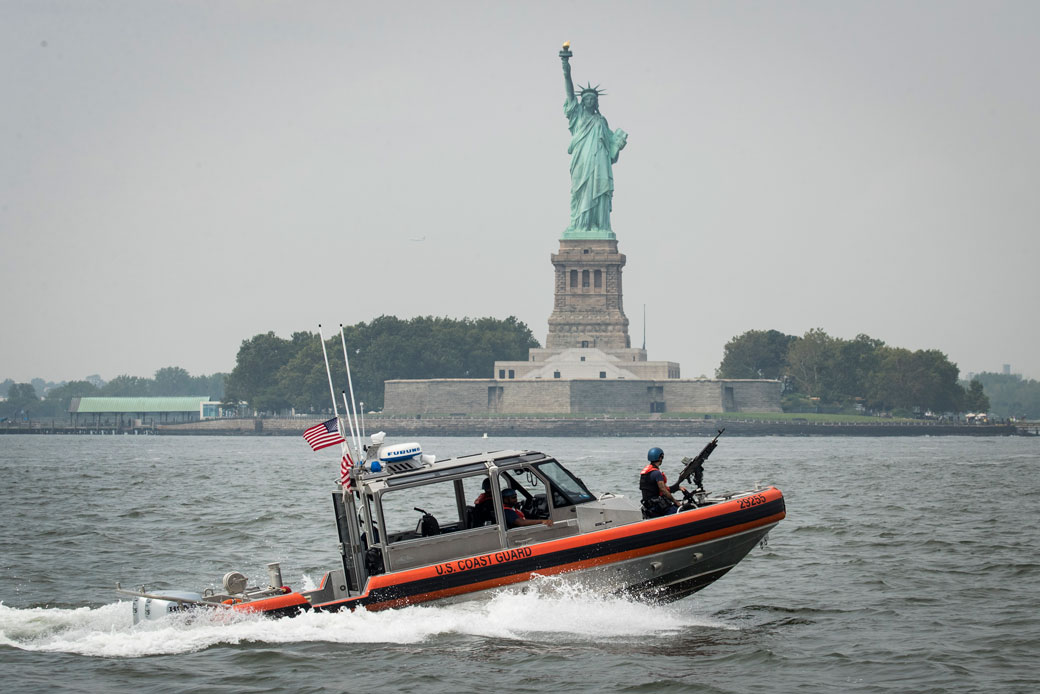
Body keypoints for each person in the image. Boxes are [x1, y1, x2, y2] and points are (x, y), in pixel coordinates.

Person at [560, 48, 627, 234]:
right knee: (579, 191)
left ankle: (599, 225)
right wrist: (566, 68)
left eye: (592, 99)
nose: (589, 101)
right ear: (582, 102)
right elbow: (569, 93)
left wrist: (618, 144)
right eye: (586, 98)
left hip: (599, 163)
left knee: (599, 191)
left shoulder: (601, 121)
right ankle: (580, 225)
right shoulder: (578, 115)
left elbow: (611, 149)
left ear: (596, 102)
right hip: (582, 161)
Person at [639, 447, 686, 518]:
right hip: (658, 507)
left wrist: (676, 488)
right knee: (681, 513)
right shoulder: (657, 473)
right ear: (660, 458)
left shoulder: (645, 473)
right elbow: (663, 490)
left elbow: (654, 489)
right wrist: (676, 502)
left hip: (649, 507)